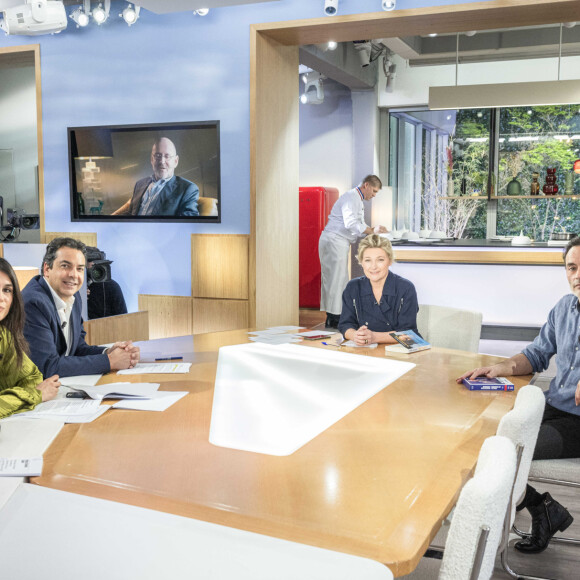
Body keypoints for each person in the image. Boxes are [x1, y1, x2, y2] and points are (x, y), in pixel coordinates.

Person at [457, 236, 580, 554]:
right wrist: (501, 367)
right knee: (484, 442)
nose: (577, 274)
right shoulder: (565, 308)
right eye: (572, 267)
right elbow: (537, 354)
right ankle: (542, 508)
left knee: (504, 454)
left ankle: (539, 512)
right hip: (553, 406)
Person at [22, 237, 140, 378]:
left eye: (79, 269)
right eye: (65, 266)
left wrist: (108, 352)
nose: (73, 275)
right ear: (47, 269)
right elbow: (47, 367)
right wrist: (110, 361)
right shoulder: (33, 303)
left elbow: (77, 349)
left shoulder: (74, 297)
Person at [319, 175, 388, 329]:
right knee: (335, 280)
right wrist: (371, 230)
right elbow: (351, 223)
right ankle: (333, 318)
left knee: (340, 279)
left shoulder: (357, 199)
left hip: (338, 242)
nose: (374, 195)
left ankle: (337, 316)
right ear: (367, 185)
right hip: (334, 240)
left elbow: (359, 224)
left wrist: (373, 230)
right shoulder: (351, 197)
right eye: (374, 191)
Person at [0, 258, 60, 419]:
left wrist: (11, 399)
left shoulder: (4, 335)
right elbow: (37, 389)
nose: (2, 298)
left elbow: (32, 377)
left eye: (7, 290)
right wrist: (34, 395)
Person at [338, 234, 419, 346]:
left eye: (380, 260)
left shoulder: (406, 288)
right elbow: (345, 325)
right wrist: (356, 336)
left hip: (399, 350)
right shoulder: (353, 287)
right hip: (365, 349)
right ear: (361, 262)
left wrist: (374, 337)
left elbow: (409, 334)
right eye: (367, 260)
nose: (373, 266)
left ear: (389, 261)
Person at [112, 137, 199, 216]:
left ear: (175, 161)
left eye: (167, 156)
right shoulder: (139, 184)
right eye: (158, 156)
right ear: (152, 159)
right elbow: (131, 214)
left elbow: (188, 224)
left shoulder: (187, 189)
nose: (162, 161)